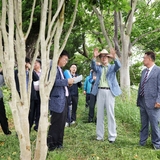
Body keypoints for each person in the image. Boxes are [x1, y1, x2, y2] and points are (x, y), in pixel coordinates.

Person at [91, 48, 121, 143]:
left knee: (110, 114)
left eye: (105, 56)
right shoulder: (98, 68)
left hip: (109, 92)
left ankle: (112, 137)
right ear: (100, 58)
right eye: (102, 56)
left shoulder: (112, 67)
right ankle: (100, 136)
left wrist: (115, 57)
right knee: (99, 114)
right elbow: (92, 65)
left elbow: (119, 66)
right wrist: (94, 57)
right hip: (100, 91)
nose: (103, 58)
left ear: (108, 58)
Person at [47, 50, 74, 151]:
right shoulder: (52, 68)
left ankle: (59, 143)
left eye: (67, 60)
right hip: (57, 100)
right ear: (59, 57)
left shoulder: (61, 70)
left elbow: (61, 83)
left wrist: (68, 83)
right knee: (55, 123)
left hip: (64, 99)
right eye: (65, 59)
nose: (66, 62)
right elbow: (52, 81)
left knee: (62, 123)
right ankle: (51, 145)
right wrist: (66, 81)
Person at [137, 51, 160, 150]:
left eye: (144, 58)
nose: (143, 59)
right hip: (142, 101)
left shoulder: (158, 70)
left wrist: (158, 100)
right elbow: (141, 86)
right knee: (144, 123)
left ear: (149, 59)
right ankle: (142, 142)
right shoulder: (143, 71)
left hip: (153, 102)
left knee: (154, 124)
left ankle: (157, 144)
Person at [14, 57, 39, 131]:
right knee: (21, 114)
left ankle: (28, 129)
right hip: (20, 96)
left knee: (31, 115)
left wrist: (31, 69)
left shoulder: (30, 72)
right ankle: (20, 131)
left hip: (31, 96)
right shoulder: (16, 72)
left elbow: (37, 78)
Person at [0, 71, 11, 135]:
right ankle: (6, 131)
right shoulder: (1, 77)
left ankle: (6, 131)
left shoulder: (1, 77)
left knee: (2, 116)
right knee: (2, 115)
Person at [33, 58, 41, 131]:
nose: (35, 64)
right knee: (32, 109)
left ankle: (37, 125)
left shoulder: (43, 72)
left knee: (39, 109)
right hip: (32, 93)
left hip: (40, 93)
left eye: (36, 63)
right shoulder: (30, 72)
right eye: (34, 63)